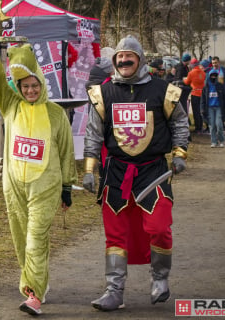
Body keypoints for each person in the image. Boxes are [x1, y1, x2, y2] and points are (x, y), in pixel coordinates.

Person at [84, 35, 189, 311]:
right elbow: (93, 134)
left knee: (159, 227)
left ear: (140, 59)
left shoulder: (162, 90)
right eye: (119, 57)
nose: (124, 61)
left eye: (129, 56)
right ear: (114, 61)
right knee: (115, 235)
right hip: (116, 173)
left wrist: (179, 153)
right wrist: (90, 169)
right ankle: (114, 290)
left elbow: (179, 122)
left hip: (153, 172)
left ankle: (160, 279)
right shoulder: (103, 93)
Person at [0, 19, 78, 315]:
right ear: (19, 88)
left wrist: (65, 188)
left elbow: (65, 151)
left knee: (36, 238)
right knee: (22, 240)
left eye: (35, 85)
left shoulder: (56, 114)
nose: (31, 90)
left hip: (44, 189)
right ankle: (36, 282)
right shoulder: (11, 106)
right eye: (26, 86)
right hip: (15, 189)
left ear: (42, 85)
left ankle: (32, 294)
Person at [200, 70, 225, 148]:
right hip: (209, 108)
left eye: (215, 76)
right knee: (212, 126)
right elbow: (203, 99)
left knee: (219, 125)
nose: (213, 77)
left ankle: (222, 140)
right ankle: (214, 141)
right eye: (212, 76)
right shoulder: (206, 87)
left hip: (218, 107)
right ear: (209, 76)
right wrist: (202, 109)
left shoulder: (220, 86)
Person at [184, 58, 206, 134]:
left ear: (192, 65)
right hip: (202, 93)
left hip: (195, 93)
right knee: (201, 111)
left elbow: (187, 82)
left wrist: (183, 79)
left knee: (195, 111)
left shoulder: (191, 73)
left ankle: (198, 128)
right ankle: (201, 126)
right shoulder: (203, 72)